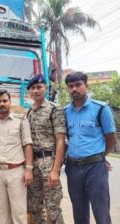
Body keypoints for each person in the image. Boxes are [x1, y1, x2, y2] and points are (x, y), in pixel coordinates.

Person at [64, 71, 116, 224]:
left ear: (86, 85)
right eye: (71, 86)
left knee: (101, 211)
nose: (74, 89)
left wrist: (101, 157)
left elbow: (111, 139)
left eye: (78, 85)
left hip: (95, 168)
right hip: (72, 167)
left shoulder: (101, 109)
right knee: (79, 212)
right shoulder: (64, 112)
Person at [0, 89, 33, 224]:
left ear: (10, 102)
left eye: (5, 101)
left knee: (19, 213)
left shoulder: (21, 120)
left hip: (16, 172)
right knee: (0, 213)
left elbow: (27, 144)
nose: (2, 104)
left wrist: (28, 169)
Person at [26, 75, 66, 224]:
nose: (35, 91)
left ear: (46, 89)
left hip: (49, 162)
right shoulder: (28, 112)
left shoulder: (54, 109)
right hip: (33, 164)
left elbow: (60, 141)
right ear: (29, 91)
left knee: (53, 207)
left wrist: (55, 170)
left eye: (39, 87)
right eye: (32, 88)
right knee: (35, 207)